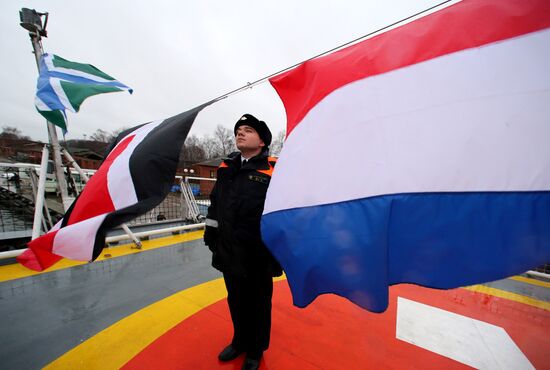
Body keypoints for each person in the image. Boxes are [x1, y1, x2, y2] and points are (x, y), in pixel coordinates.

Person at [204, 114, 282, 370]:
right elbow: (215, 203)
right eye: (238, 130)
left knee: (258, 303)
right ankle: (239, 341)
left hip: (259, 252)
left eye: (247, 130)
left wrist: (279, 249)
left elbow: (283, 210)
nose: (240, 133)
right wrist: (211, 232)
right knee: (235, 299)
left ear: (261, 141)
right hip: (228, 249)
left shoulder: (273, 168)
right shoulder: (227, 168)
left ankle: (255, 350)